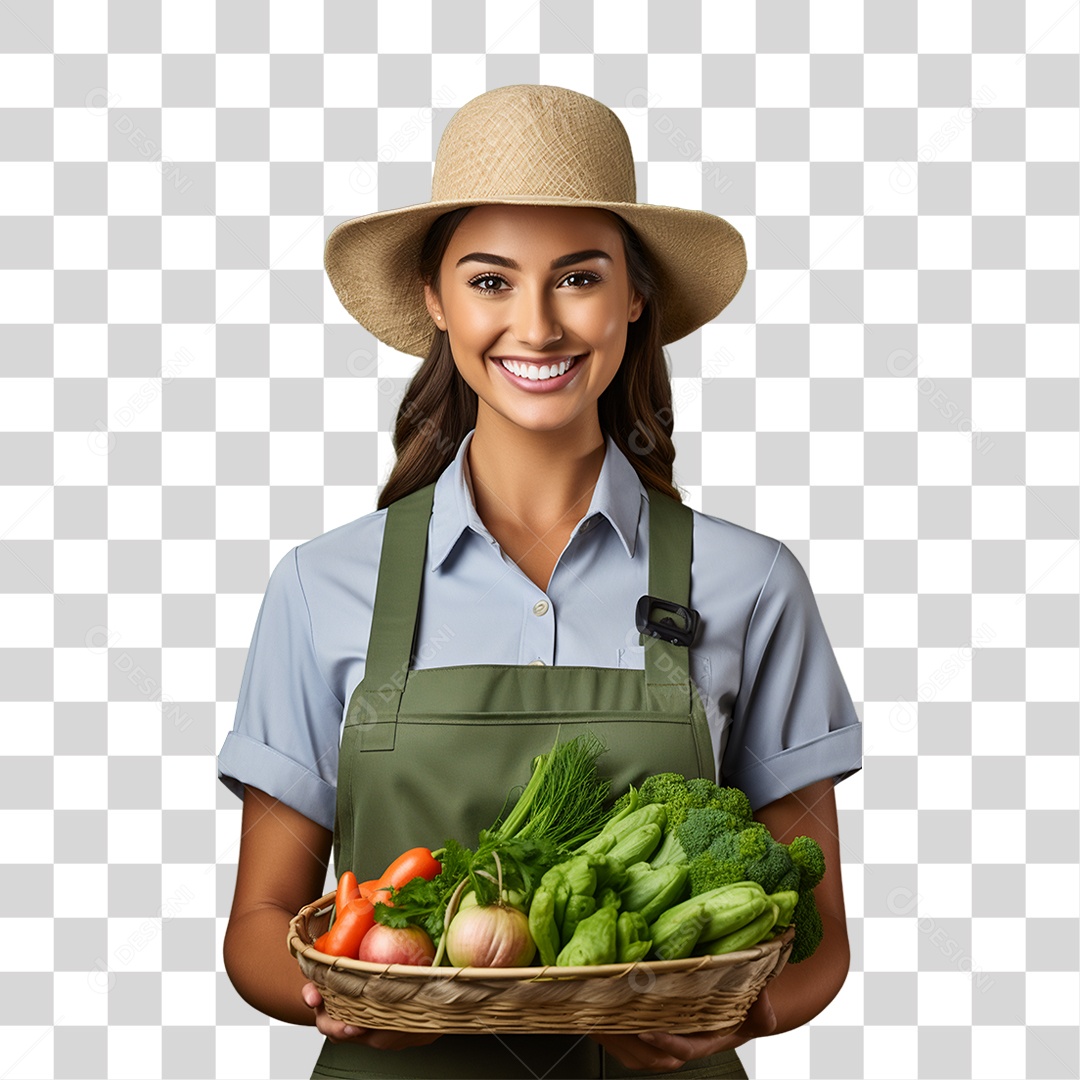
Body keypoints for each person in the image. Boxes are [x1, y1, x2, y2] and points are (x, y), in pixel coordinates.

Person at [218, 84, 863, 1079]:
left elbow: (819, 934)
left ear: (634, 296)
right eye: (489, 281)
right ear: (434, 299)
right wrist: (338, 994)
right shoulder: (322, 586)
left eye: (577, 278)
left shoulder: (753, 583)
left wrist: (743, 1018)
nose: (537, 325)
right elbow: (261, 923)